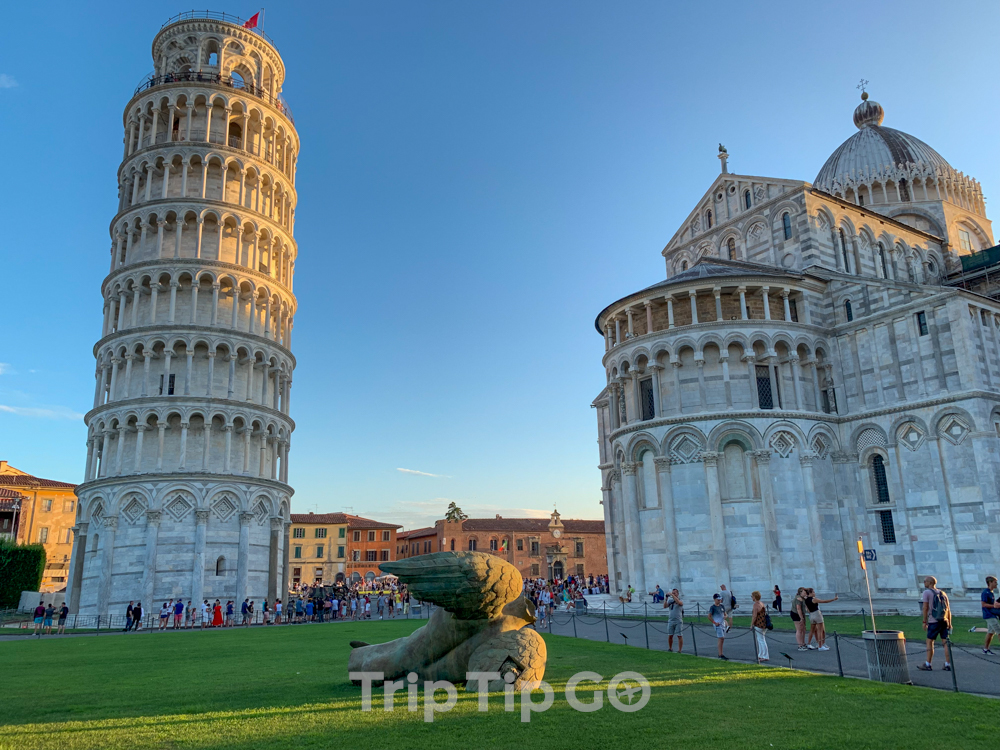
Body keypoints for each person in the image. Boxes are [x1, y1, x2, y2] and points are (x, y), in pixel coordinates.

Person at [918, 576, 952, 671]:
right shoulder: (943, 593)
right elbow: (948, 609)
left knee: (929, 641)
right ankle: (947, 664)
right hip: (944, 620)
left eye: (925, 581)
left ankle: (928, 664)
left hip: (934, 620)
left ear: (929, 582)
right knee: (945, 642)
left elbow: (925, 607)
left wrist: (925, 621)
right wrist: (949, 622)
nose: (924, 583)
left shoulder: (927, 593)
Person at [982, 576, 999, 655]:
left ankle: (985, 649)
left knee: (990, 632)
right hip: (988, 615)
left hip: (992, 614)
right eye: (995, 582)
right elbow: (983, 604)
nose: (997, 584)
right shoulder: (985, 592)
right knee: (999, 631)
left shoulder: (991, 592)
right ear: (990, 583)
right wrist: (994, 606)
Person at [751, 591, 769, 662]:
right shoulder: (762, 603)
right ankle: (761, 654)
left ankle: (765, 655)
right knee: (760, 639)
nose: (752, 598)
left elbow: (754, 616)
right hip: (763, 623)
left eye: (752, 596)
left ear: (754, 597)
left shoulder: (755, 605)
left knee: (761, 640)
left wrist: (751, 624)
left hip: (758, 624)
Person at [665, 588, 683, 653]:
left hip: (678, 620)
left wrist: (673, 596)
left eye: (675, 593)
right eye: (673, 592)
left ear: (677, 594)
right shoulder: (670, 601)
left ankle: (679, 650)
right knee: (670, 635)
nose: (673, 594)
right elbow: (664, 606)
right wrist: (666, 599)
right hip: (671, 620)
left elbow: (679, 602)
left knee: (679, 635)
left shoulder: (680, 600)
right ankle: (670, 648)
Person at [709, 594, 728, 660]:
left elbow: (725, 614)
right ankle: (720, 654)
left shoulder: (722, 606)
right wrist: (714, 622)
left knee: (722, 639)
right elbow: (709, 616)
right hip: (718, 625)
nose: (719, 600)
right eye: (718, 599)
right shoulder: (713, 607)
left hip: (722, 624)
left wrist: (725, 617)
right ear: (714, 599)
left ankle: (721, 653)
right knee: (721, 638)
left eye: (720, 599)